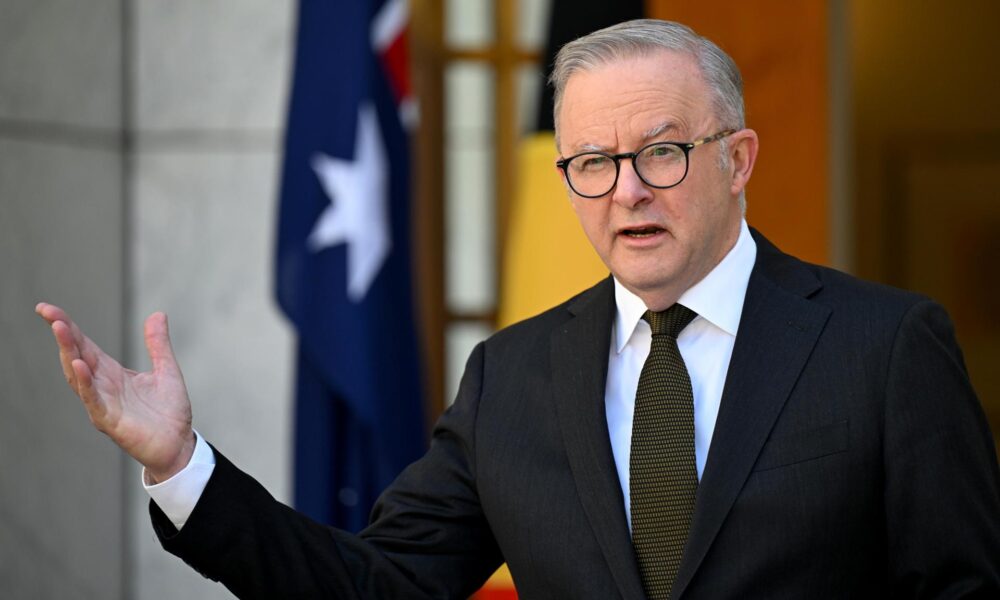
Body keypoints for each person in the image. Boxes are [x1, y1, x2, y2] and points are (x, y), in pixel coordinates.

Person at [36, 19, 1000, 600]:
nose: (626, 191)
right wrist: (181, 467)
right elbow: (378, 587)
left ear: (737, 159)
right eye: (592, 164)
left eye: (660, 152)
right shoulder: (514, 377)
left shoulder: (886, 348)